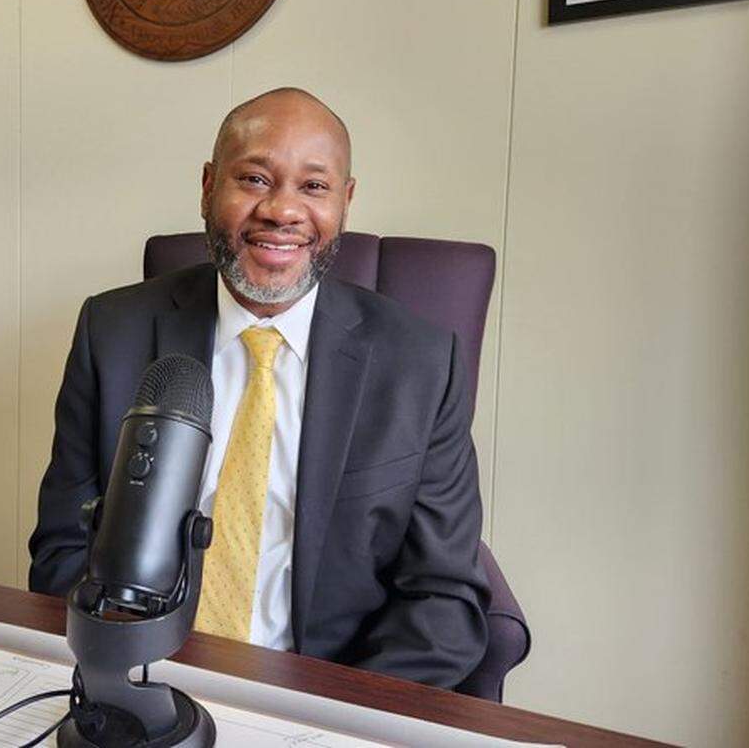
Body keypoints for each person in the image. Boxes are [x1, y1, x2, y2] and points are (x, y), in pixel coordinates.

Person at [28, 88, 489, 689]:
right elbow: (62, 549)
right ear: (207, 187)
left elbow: (443, 599)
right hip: (141, 677)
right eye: (253, 179)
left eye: (314, 187)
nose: (282, 211)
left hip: (325, 695)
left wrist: (328, 722)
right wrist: (134, 674)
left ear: (345, 203)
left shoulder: (422, 364)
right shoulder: (110, 333)